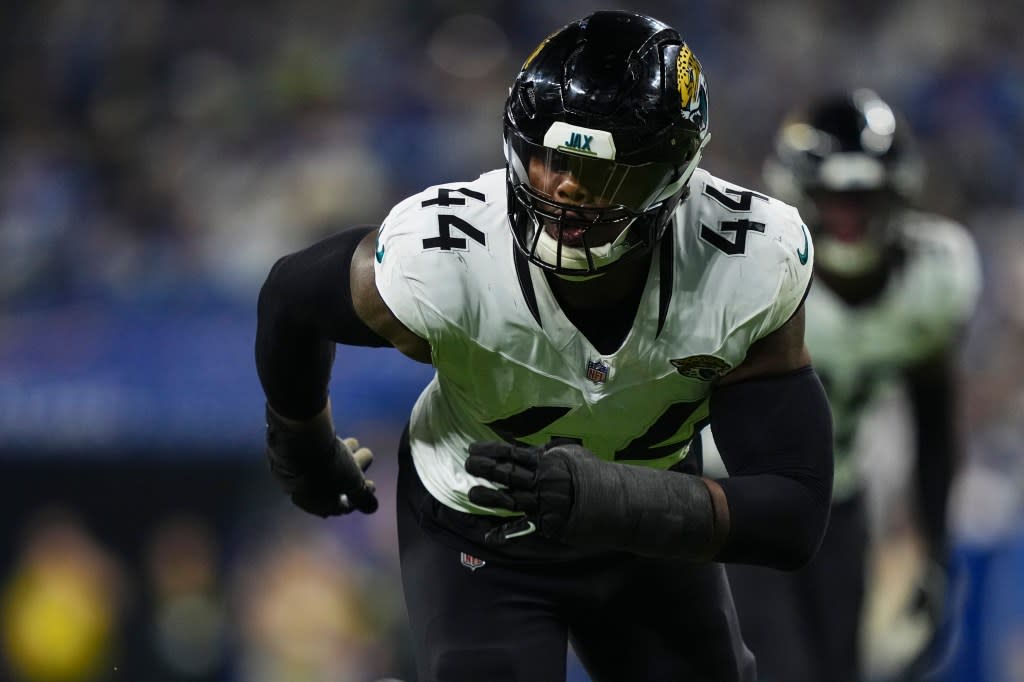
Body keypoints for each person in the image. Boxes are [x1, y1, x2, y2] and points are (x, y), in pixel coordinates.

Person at [255, 11, 834, 682]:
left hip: (647, 527)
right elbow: (292, 296)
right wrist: (301, 441)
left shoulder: (747, 257)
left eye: (602, 171)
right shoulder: (448, 258)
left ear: (671, 174)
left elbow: (793, 514)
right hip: (476, 525)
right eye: (553, 158)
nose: (565, 186)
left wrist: (611, 501)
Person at [720, 90, 981, 682]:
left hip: (839, 501)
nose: (847, 215)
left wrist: (934, 549)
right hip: (736, 498)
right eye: (832, 197)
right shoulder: (751, 267)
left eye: (862, 198)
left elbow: (932, 415)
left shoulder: (935, 273)